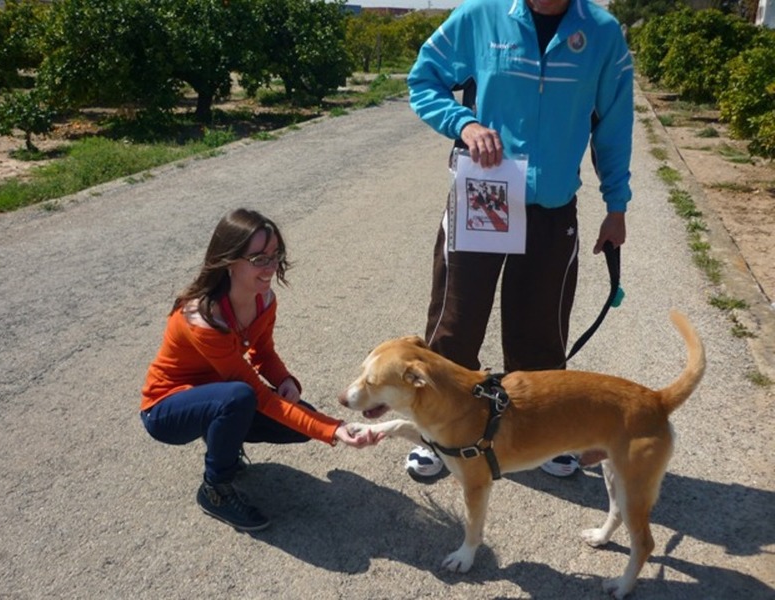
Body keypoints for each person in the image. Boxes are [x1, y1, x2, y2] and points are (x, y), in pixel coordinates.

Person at [403, 0, 633, 479]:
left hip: (551, 207)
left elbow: (614, 123)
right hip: (485, 192)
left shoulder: (603, 33)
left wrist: (616, 205)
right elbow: (422, 80)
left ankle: (544, 435)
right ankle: (439, 433)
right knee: (456, 320)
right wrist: (464, 123)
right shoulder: (479, 16)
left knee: (541, 328)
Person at [140, 208, 378, 532]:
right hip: (166, 409)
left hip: (219, 393)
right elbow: (257, 397)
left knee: (292, 422)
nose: (271, 267)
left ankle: (221, 436)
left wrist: (284, 380)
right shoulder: (203, 318)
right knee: (239, 399)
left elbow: (262, 352)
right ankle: (215, 489)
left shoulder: (263, 299)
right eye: (258, 259)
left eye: (275, 255)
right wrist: (333, 429)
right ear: (228, 261)